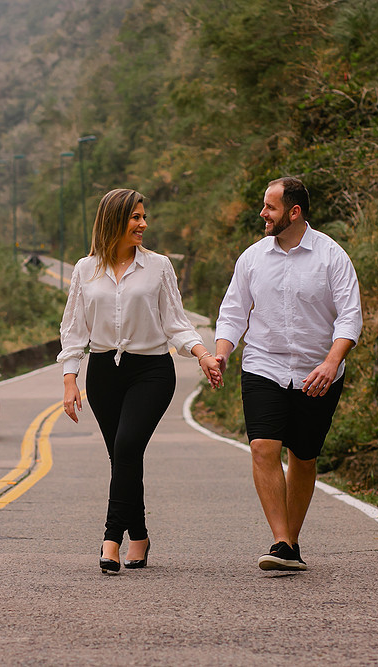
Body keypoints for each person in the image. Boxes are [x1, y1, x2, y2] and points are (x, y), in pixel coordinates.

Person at [59, 188, 222, 574]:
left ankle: (111, 539)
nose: (143, 224)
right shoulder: (85, 269)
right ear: (115, 220)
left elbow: (176, 322)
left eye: (144, 217)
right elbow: (73, 330)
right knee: (123, 457)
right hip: (103, 373)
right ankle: (141, 536)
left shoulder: (159, 266)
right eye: (136, 217)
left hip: (151, 371)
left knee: (128, 445)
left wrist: (203, 355)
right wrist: (70, 380)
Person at [212, 177, 362, 571]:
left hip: (319, 372)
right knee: (263, 446)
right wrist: (222, 353)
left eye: (270, 208)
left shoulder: (331, 256)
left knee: (304, 456)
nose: (262, 214)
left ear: (293, 212)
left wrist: (331, 362)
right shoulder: (252, 259)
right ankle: (280, 540)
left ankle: (290, 545)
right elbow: (233, 312)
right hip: (264, 365)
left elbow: (350, 317)